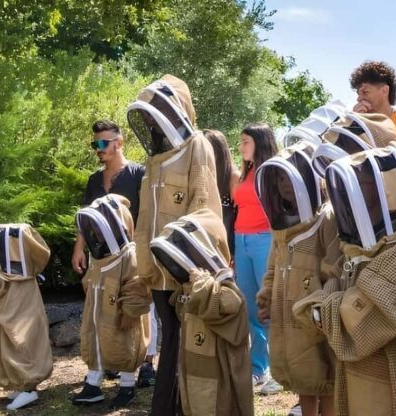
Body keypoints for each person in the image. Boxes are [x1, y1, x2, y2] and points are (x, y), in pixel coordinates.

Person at [294, 146, 396, 416]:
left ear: (386, 192)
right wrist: (323, 306)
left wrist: (323, 311)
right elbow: (325, 293)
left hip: (389, 384)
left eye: (362, 185)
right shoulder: (356, 251)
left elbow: (360, 320)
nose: (353, 196)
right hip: (357, 379)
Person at [126, 74, 222, 415]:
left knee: (185, 343)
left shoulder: (198, 146)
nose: (152, 120)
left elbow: (204, 206)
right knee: (172, 341)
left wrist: (194, 268)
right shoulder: (153, 161)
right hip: (158, 273)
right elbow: (144, 219)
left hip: (185, 269)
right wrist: (143, 268)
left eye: (158, 111)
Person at [255, 142, 340, 416]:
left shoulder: (327, 218)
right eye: (279, 179)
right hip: (288, 313)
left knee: (325, 379)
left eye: (290, 177)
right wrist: (267, 296)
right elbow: (273, 265)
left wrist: (321, 305)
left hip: (315, 316)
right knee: (303, 379)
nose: (284, 184)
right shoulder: (282, 224)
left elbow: (334, 267)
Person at [71, 120, 157, 388]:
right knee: (107, 308)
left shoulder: (139, 174)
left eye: (103, 143)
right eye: (95, 144)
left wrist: (145, 251)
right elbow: (87, 218)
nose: (98, 148)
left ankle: (146, 364)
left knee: (140, 307)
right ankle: (114, 359)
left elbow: (147, 216)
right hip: (102, 256)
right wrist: (79, 248)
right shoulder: (94, 179)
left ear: (119, 143)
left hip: (132, 253)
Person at [150, 209, 253, 416]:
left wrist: (201, 284)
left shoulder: (227, 290)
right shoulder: (190, 287)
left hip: (219, 384)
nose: (188, 254)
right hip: (192, 377)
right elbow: (179, 305)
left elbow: (225, 307)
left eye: (192, 248)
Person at [72, 195, 151, 409]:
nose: (96, 234)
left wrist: (130, 312)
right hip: (98, 313)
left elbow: (137, 288)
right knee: (95, 342)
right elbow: (90, 280)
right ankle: (93, 385)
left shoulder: (129, 255)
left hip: (121, 317)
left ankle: (127, 386)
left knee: (124, 346)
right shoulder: (98, 257)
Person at [0, 224, 53, 410]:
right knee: (10, 346)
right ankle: (20, 384)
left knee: (22, 344)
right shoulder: (2, 270)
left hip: (20, 314)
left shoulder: (20, 274)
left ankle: (29, 389)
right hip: (8, 316)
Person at [233, 123, 282, 394]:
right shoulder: (246, 172)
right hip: (241, 241)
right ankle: (257, 369)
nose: (241, 147)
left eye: (245, 142)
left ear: (260, 143)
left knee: (269, 306)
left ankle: (279, 370)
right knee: (251, 308)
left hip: (266, 240)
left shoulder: (274, 170)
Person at [204, 129, 240, 259]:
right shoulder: (203, 175)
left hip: (228, 248)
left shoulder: (233, 177)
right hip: (206, 244)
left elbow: (238, 216)